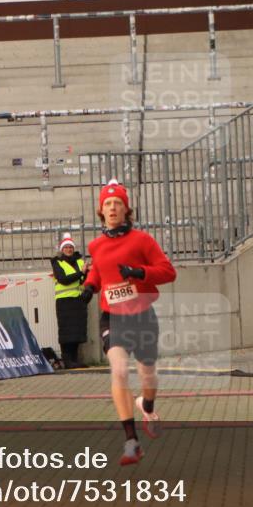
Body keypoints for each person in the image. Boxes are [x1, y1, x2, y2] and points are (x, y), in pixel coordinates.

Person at [81, 180, 176, 466]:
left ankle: (147, 405)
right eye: (107, 204)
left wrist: (138, 271)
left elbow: (168, 272)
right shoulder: (95, 245)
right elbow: (99, 272)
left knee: (147, 376)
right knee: (119, 370)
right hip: (114, 317)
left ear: (126, 210)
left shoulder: (142, 240)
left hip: (142, 315)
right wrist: (88, 287)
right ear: (101, 210)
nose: (112, 207)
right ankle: (131, 442)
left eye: (117, 203)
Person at [50, 232, 89, 370]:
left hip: (78, 300)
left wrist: (85, 277)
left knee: (77, 331)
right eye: (66, 247)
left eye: (70, 247)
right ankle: (67, 360)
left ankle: (75, 360)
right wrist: (81, 273)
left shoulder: (80, 261)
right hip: (64, 301)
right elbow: (63, 280)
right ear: (62, 249)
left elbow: (85, 280)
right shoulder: (57, 262)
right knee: (66, 332)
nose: (69, 249)